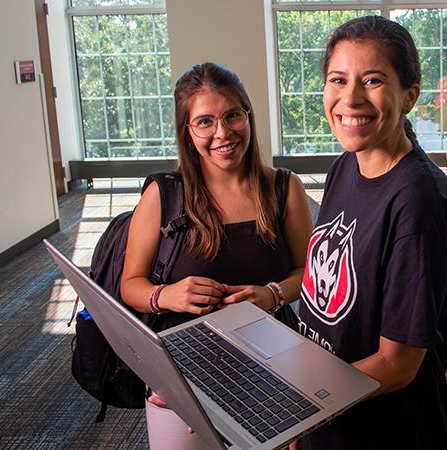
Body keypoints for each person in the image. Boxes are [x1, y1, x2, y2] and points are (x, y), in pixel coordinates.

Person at [119, 62, 313, 449]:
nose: (222, 133)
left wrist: (272, 294)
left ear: (248, 117)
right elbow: (130, 285)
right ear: (188, 133)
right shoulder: (164, 195)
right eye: (205, 122)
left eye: (232, 116)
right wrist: (165, 295)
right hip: (183, 369)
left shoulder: (284, 188)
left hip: (271, 361)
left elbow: (307, 273)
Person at [296, 16, 447, 450]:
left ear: (409, 96)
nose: (349, 98)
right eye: (338, 79)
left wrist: (294, 408)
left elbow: (397, 364)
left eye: (371, 81)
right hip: (327, 411)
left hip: (383, 430)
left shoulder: (418, 202)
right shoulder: (344, 166)